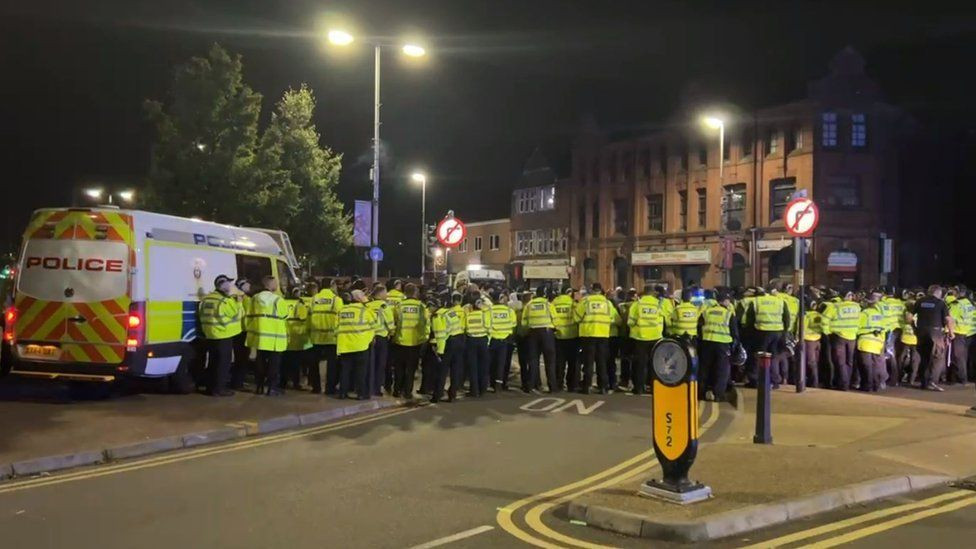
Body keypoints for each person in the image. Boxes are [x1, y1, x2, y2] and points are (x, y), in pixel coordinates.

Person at [198, 274, 243, 396]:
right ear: (223, 285)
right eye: (229, 283)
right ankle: (220, 389)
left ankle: (210, 388)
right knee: (223, 364)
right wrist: (238, 303)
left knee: (212, 363)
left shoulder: (207, 299)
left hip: (209, 335)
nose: (230, 286)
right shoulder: (225, 301)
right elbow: (237, 315)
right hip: (223, 335)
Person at [246, 275, 289, 396]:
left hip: (259, 337)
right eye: (275, 283)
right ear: (269, 285)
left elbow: (249, 315)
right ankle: (272, 388)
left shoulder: (254, 298)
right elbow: (285, 315)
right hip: (275, 338)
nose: (277, 285)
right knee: (273, 365)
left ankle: (259, 387)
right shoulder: (277, 299)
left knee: (260, 363)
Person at [910, 284, 954, 391]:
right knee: (937, 357)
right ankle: (932, 382)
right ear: (938, 293)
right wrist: (951, 332)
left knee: (924, 357)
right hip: (935, 332)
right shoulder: (940, 303)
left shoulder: (920, 301)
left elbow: (909, 316)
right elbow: (948, 319)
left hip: (921, 331)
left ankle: (923, 383)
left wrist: (914, 327)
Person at [697, 291, 739, 402]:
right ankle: (718, 394)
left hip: (707, 342)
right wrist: (735, 345)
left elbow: (699, 327)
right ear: (725, 301)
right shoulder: (728, 314)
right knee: (722, 370)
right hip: (722, 344)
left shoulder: (707, 311)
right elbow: (734, 333)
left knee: (704, 369)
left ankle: (701, 392)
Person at [575, 282, 616, 394]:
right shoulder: (607, 302)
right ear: (600, 290)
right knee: (601, 362)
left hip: (588, 334)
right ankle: (602, 386)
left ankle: (586, 386)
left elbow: (576, 318)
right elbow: (614, 319)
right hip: (603, 335)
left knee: (588, 362)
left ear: (592, 289)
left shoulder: (585, 301)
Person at [746, 287, 790, 388]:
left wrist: (751, 332)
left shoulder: (756, 301)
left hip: (761, 331)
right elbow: (787, 318)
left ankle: (756, 380)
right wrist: (784, 331)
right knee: (773, 356)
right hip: (778, 331)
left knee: (759, 356)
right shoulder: (780, 301)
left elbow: (750, 319)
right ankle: (775, 381)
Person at [336, 289, 376, 400]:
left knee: (345, 371)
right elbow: (374, 324)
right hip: (361, 344)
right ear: (359, 298)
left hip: (345, 345)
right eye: (363, 295)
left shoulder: (342, 310)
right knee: (360, 372)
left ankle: (342, 393)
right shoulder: (365, 310)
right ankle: (361, 394)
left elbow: (336, 327)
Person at [392, 283, 429, 399]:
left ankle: (397, 390)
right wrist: (424, 338)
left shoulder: (399, 306)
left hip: (400, 341)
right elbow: (426, 323)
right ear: (415, 293)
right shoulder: (421, 306)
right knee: (411, 369)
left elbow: (394, 321)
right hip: (415, 342)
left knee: (399, 368)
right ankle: (407, 392)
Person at [627, 284, 666, 395]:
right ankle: (654, 387)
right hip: (656, 337)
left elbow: (630, 322)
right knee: (654, 364)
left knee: (640, 364)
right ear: (653, 292)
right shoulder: (659, 304)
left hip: (640, 337)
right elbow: (664, 319)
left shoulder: (637, 304)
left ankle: (639, 388)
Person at [310, 278, 343, 394]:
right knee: (332, 365)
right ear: (332, 285)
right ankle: (330, 388)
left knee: (314, 364)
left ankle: (316, 387)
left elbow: (309, 317)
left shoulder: (314, 299)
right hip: (331, 337)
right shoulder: (336, 300)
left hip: (315, 336)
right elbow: (340, 319)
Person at [522, 286, 557, 394]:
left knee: (533, 361)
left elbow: (524, 322)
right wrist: (555, 329)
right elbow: (555, 319)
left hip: (533, 333)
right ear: (545, 294)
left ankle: (532, 386)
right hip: (547, 333)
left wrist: (527, 330)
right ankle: (552, 387)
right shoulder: (548, 304)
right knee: (550, 361)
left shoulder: (529, 305)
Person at [824, 291, 859, 390]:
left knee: (840, 361)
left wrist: (827, 332)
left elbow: (824, 320)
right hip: (852, 336)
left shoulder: (834, 307)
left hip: (838, 336)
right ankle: (847, 382)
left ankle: (844, 384)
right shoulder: (857, 307)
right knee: (849, 361)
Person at [366, 284, 395, 397]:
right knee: (380, 364)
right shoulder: (384, 306)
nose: (387, 294)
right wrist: (391, 333)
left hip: (369, 337)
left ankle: (368, 386)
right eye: (385, 292)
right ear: (381, 293)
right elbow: (390, 322)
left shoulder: (368, 305)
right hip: (381, 338)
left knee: (370, 364)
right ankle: (376, 388)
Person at [856, 291, 887, 392]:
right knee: (875, 366)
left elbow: (857, 327)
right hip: (877, 343)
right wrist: (882, 343)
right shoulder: (880, 315)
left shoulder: (863, 314)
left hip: (865, 342)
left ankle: (867, 386)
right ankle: (876, 385)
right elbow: (883, 329)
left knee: (866, 366)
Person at [282, 287, 312, 390]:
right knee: (295, 363)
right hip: (296, 337)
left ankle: (283, 382)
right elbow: (303, 317)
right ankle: (295, 383)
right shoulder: (299, 304)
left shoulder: (283, 302)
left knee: (285, 362)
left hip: (285, 336)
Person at [552, 287, 580, 392]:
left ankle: (559, 384)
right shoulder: (573, 304)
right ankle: (572, 385)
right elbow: (578, 318)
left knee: (559, 363)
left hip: (558, 336)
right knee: (573, 363)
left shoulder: (554, 303)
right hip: (572, 336)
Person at [488, 290, 516, 392]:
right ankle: (498, 385)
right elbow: (513, 324)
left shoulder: (489, 311)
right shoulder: (509, 311)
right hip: (504, 340)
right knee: (501, 363)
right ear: (501, 299)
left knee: (491, 363)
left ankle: (490, 383)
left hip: (492, 340)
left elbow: (487, 324)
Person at [464, 297, 492, 397]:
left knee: (473, 367)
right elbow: (489, 326)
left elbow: (465, 328)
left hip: (471, 341)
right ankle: (483, 389)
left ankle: (474, 390)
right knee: (483, 366)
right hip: (483, 341)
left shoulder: (468, 315)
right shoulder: (484, 315)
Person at [947, 287, 974, 384]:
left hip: (957, 332)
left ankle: (961, 379)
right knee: (963, 356)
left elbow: (950, 319)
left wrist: (950, 332)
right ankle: (959, 379)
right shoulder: (969, 303)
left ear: (958, 293)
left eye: (954, 291)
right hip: (968, 333)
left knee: (957, 357)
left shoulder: (957, 304)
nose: (952, 293)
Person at [230, 278, 253, 390]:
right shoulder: (246, 299)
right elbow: (249, 316)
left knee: (239, 359)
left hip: (235, 331)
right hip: (244, 331)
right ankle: (238, 383)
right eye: (247, 284)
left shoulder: (234, 297)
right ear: (242, 286)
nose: (250, 286)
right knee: (243, 359)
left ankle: (236, 381)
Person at [803, 299, 825, 388]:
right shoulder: (819, 315)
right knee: (815, 362)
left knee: (810, 362)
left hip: (808, 340)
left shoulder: (806, 315)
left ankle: (813, 383)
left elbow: (801, 328)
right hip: (817, 340)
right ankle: (815, 381)